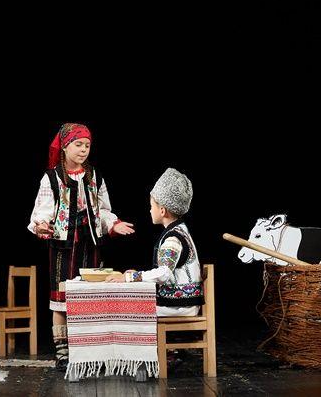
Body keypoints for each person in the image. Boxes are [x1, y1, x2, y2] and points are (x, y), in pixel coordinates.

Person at [28, 123, 135, 370]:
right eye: (78, 144)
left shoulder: (94, 175)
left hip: (90, 245)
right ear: (65, 147)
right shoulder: (52, 177)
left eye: (87, 145)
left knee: (90, 297)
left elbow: (103, 209)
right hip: (63, 247)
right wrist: (41, 225)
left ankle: (89, 349)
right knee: (61, 300)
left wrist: (113, 224)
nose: (84, 149)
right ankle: (62, 353)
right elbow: (42, 211)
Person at [105, 168, 203, 317]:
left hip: (179, 305)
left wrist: (129, 278)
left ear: (162, 210)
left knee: (122, 308)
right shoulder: (181, 229)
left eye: (152, 206)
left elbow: (163, 273)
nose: (150, 210)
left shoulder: (173, 239)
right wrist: (137, 275)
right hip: (183, 303)